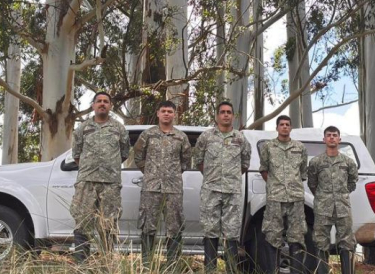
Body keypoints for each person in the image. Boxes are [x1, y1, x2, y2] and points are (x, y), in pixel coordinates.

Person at [69, 92, 130, 263]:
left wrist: (109, 167)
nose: (102, 104)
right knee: (83, 222)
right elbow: (76, 154)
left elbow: (124, 153)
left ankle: (106, 264)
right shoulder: (83, 128)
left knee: (109, 224)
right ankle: (82, 264)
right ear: (93, 105)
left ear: (110, 106)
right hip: (86, 182)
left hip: (110, 183)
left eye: (106, 101)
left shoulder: (119, 128)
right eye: (99, 101)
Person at [193, 101, 251, 273]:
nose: (226, 115)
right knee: (210, 232)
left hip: (232, 192)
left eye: (229, 112)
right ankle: (210, 269)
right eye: (222, 112)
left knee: (231, 233)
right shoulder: (206, 137)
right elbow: (199, 161)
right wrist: (212, 177)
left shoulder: (240, 139)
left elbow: (245, 163)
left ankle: (231, 270)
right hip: (211, 191)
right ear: (217, 116)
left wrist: (230, 179)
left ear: (233, 116)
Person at [132, 101, 192, 267]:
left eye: (170, 111)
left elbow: (186, 160)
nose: (166, 114)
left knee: (174, 227)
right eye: (163, 111)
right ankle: (147, 264)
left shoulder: (181, 137)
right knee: (148, 226)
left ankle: (172, 265)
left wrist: (172, 174)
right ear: (158, 113)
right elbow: (138, 156)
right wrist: (150, 172)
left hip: (173, 189)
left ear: (174, 114)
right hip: (151, 188)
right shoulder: (148, 135)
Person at [258, 115, 309, 274]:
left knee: (297, 236)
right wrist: (275, 185)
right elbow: (264, 170)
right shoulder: (268, 146)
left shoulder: (300, 148)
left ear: (291, 127)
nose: (285, 127)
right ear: (277, 128)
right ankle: (272, 271)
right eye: (282, 124)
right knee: (272, 235)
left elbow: (302, 173)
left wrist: (291, 186)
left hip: (295, 198)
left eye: (287, 124)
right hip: (275, 198)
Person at [307, 126, 359, 274]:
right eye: (328, 135)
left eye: (334, 135)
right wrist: (324, 197)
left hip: (343, 207)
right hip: (323, 208)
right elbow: (312, 183)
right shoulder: (316, 162)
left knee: (347, 242)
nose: (331, 137)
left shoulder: (348, 162)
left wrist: (340, 194)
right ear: (324, 139)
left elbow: (352, 182)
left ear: (339, 139)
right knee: (321, 241)